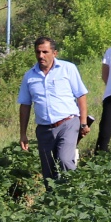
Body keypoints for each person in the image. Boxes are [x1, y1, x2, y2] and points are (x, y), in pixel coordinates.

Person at [18, 37, 89, 183]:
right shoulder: (29, 76)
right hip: (44, 130)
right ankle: (53, 201)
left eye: (45, 52)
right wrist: (23, 134)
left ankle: (77, 194)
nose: (41, 56)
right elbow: (25, 105)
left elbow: (81, 95)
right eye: (38, 52)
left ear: (54, 53)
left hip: (68, 123)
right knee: (49, 171)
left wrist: (83, 122)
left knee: (64, 160)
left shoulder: (68, 69)